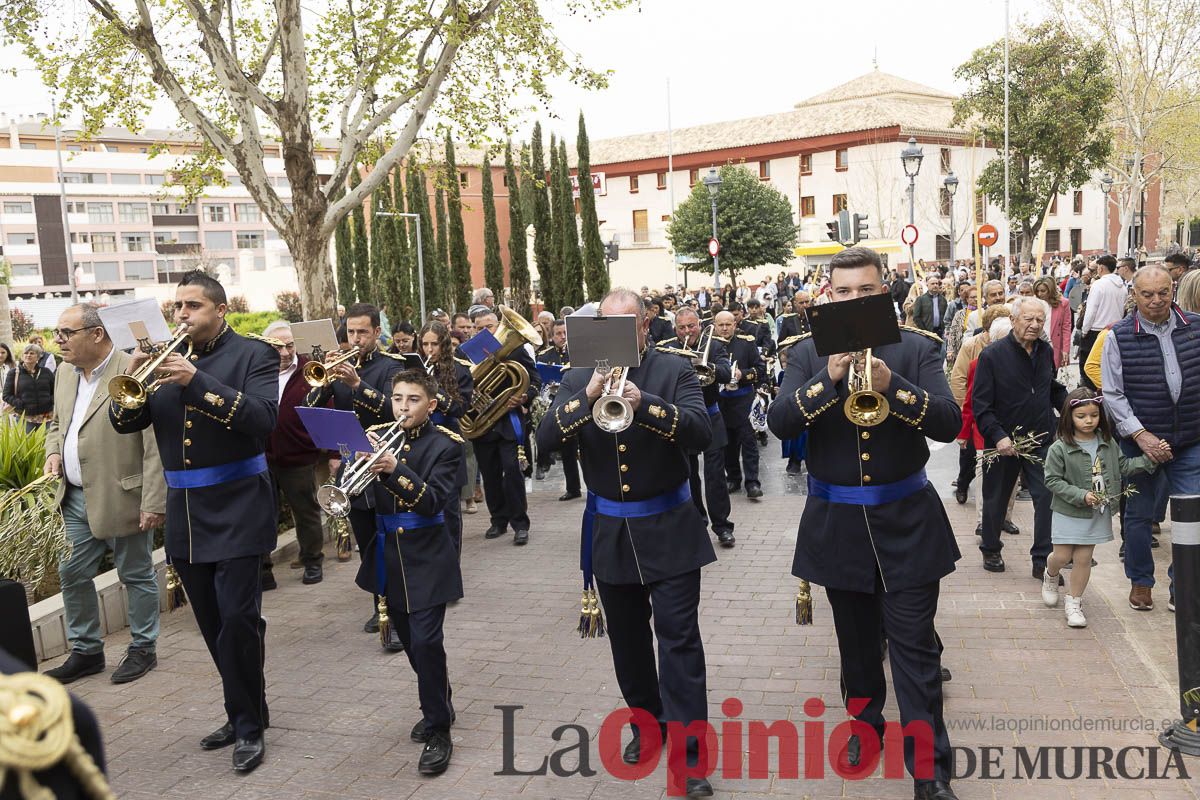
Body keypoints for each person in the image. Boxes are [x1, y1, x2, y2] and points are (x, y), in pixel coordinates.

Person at [767, 246, 961, 800]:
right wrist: (826, 380)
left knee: (915, 650)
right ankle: (864, 726)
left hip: (909, 521)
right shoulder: (805, 354)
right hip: (838, 522)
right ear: (828, 294)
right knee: (855, 647)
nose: (854, 299)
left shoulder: (917, 348)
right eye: (844, 291)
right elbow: (781, 424)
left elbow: (948, 424)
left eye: (866, 290)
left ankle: (930, 770)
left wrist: (893, 384)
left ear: (885, 290)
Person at [535, 288, 716, 800]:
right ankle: (647, 722)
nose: (617, 336)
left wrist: (648, 405)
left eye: (627, 326)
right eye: (606, 326)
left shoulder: (672, 370)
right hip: (610, 531)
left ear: (644, 326)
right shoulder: (577, 377)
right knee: (628, 641)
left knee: (679, 641)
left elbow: (701, 433)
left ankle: (690, 755)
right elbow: (546, 441)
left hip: (670, 526)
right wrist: (589, 394)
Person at [109, 270, 278, 773]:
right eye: (177, 306)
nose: (182, 315)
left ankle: (248, 727)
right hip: (185, 516)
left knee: (239, 623)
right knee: (211, 625)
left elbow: (263, 420)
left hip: (239, 508)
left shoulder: (253, 354)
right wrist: (133, 379)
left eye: (193, 306)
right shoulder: (161, 361)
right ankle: (244, 707)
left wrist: (196, 382)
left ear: (219, 310)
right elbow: (127, 422)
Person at [41, 303, 166, 685]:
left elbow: (153, 443)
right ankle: (87, 651)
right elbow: (58, 422)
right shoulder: (64, 372)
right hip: (76, 497)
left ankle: (143, 648)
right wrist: (53, 452)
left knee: (136, 574)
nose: (58, 341)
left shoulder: (134, 368)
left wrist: (153, 501)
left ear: (97, 334)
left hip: (123, 495)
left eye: (66, 333)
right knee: (71, 572)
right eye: (57, 332)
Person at [357, 370, 463, 775]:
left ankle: (439, 729)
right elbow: (359, 497)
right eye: (397, 398)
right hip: (389, 556)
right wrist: (353, 462)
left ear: (431, 405)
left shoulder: (445, 446)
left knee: (427, 642)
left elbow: (432, 502)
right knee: (413, 644)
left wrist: (393, 468)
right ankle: (442, 699)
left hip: (429, 556)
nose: (403, 406)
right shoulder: (379, 435)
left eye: (413, 399)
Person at [305, 302, 405, 640]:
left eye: (363, 332)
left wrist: (358, 383)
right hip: (353, 466)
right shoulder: (340, 366)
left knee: (390, 538)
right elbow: (312, 406)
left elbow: (396, 409)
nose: (356, 338)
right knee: (366, 539)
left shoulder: (392, 367)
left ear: (377, 332)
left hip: (385, 464)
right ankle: (380, 604)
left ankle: (396, 605)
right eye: (351, 332)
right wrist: (322, 382)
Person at [1102, 265, 1200, 611]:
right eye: (1148, 294)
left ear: (1173, 290)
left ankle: (1183, 583)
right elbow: (1113, 395)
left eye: (1163, 292)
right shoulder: (1119, 335)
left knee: (1190, 515)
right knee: (1140, 515)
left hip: (1189, 439)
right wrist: (1141, 435)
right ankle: (1141, 581)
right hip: (1139, 443)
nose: (1156, 300)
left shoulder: (1195, 328)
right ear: (1134, 294)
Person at [1042, 389, 1155, 626]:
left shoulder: (1108, 443)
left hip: (1096, 512)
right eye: (1081, 416)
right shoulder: (1059, 448)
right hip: (1068, 511)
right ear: (1068, 417)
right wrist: (1081, 495)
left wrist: (1151, 458)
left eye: (1093, 415)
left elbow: (1123, 466)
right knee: (1062, 556)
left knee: (1083, 558)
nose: (1088, 420)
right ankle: (1051, 574)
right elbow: (1052, 480)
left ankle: (1074, 603)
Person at [972, 296, 1067, 578]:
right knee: (995, 500)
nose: (1035, 325)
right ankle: (990, 548)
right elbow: (982, 405)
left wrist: (1074, 405)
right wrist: (999, 437)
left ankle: (1042, 561)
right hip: (1004, 442)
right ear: (1014, 320)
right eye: (1029, 319)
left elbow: (1049, 388)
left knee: (1047, 497)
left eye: (1040, 320)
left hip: (1040, 438)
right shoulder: (992, 356)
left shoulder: (1045, 351)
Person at [262, 320, 327, 586]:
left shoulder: (309, 370)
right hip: (263, 456)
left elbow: (326, 410)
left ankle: (312, 562)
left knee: (306, 511)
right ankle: (263, 570)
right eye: (278, 347)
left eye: (289, 345)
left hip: (299, 455)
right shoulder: (259, 370)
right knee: (263, 515)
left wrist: (333, 453)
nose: (285, 352)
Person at [470, 306, 540, 545]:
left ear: (497, 325)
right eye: (478, 328)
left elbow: (535, 381)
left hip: (508, 422)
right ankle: (498, 520)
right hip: (482, 425)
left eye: (488, 326)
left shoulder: (516, 349)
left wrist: (523, 397)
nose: (484, 332)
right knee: (489, 475)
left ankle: (520, 524)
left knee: (512, 471)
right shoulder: (469, 355)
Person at [667, 307, 735, 547]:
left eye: (691, 326)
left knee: (715, 475)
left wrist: (708, 368)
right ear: (676, 328)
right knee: (689, 474)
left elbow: (727, 373)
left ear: (699, 324)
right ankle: (697, 520)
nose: (688, 332)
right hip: (685, 418)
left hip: (711, 415)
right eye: (682, 327)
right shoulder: (669, 349)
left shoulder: (714, 345)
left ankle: (722, 526)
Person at [419, 321, 473, 554]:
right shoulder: (415, 368)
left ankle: (452, 562)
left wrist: (434, 390)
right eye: (424, 344)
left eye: (434, 344)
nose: (429, 350)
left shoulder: (460, 370)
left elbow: (460, 409)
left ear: (444, 345)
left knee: (449, 510)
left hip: (447, 444)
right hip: (419, 443)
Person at [715, 311, 765, 499]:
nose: (725, 328)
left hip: (744, 400)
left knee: (749, 443)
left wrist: (742, 375)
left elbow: (760, 369)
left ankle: (752, 482)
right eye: (721, 325)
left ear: (735, 325)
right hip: (721, 401)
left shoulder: (746, 343)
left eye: (729, 324)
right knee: (727, 444)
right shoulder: (709, 346)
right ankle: (733, 478)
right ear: (715, 325)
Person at [535, 320, 581, 500]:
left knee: (585, 446)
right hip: (556, 403)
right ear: (552, 337)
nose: (562, 337)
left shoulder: (577, 353)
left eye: (565, 333)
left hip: (577, 400)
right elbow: (540, 380)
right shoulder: (545, 356)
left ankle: (594, 487)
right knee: (567, 445)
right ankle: (573, 488)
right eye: (558, 334)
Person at [1079, 255, 1126, 390]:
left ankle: (1092, 395)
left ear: (1100, 267)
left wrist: (1084, 330)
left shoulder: (1099, 284)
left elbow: (1091, 310)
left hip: (1095, 330)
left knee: (1089, 367)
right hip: (1114, 330)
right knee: (1109, 366)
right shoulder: (1122, 286)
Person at [4, 343, 55, 430]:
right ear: (22, 356)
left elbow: (55, 391)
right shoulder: (14, 373)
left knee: (48, 443)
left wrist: (49, 401)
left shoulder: (46, 372)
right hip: (25, 418)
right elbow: (6, 395)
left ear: (38, 357)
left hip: (46, 418)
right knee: (27, 443)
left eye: (32, 353)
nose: (28, 355)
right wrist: (20, 404)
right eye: (26, 353)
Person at [1034, 276, 1072, 369]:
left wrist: (1065, 350)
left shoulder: (1063, 303)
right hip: (1035, 344)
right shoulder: (1033, 303)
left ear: (1050, 290)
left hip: (1054, 345)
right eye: (1037, 291)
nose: (1039, 294)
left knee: (1052, 375)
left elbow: (1066, 327)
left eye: (1043, 291)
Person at [912, 275, 949, 339]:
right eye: (932, 284)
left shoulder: (943, 299)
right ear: (927, 285)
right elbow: (916, 317)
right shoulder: (921, 299)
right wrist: (924, 330)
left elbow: (946, 316)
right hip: (927, 333)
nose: (935, 285)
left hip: (940, 332)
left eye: (937, 283)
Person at [0, 342, 14, 414]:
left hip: (11, 402)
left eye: (3, 352)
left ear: (7, 353)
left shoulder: (14, 367)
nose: (0, 355)